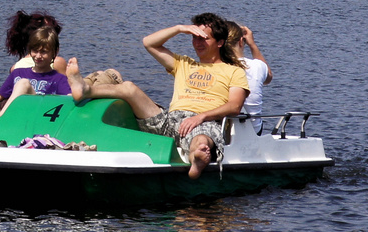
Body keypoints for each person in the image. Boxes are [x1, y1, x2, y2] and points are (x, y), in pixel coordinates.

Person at [81, 13, 249, 179]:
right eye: (194, 37)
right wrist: (179, 29)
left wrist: (201, 117)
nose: (198, 43)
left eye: (204, 38)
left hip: (203, 122)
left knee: (202, 140)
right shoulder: (184, 63)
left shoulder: (233, 71)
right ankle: (86, 90)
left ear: (219, 42)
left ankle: (196, 159)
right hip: (171, 120)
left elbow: (234, 106)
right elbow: (149, 43)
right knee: (128, 88)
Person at [0, 24, 89, 119]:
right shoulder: (17, 73)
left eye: (43, 52)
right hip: (13, 115)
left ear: (54, 53)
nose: (38, 56)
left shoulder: (58, 79)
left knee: (23, 83)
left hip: (36, 117)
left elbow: (70, 101)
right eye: (35, 51)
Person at [234, 24, 273, 120]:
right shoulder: (257, 66)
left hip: (222, 128)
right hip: (254, 130)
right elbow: (268, 78)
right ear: (241, 42)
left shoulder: (215, 67)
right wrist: (252, 45)